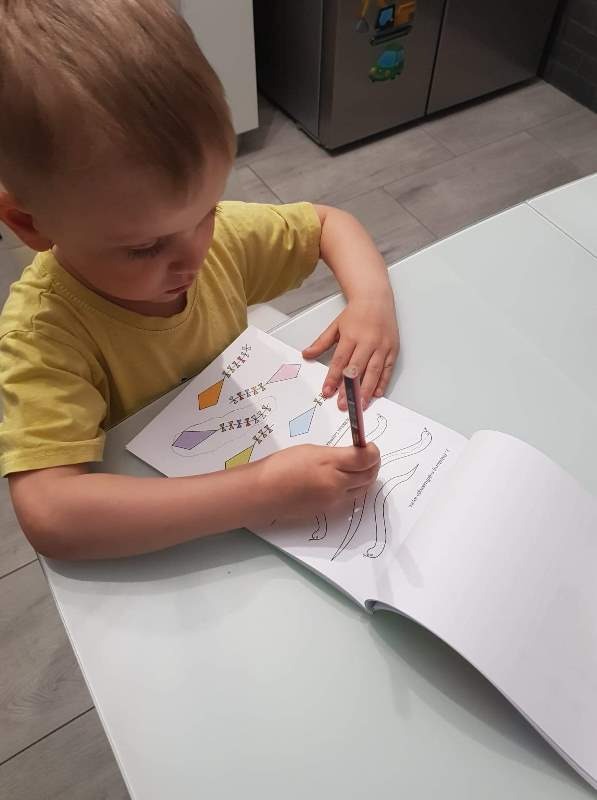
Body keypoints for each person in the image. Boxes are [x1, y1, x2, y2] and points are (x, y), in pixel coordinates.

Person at [0, 0, 399, 560]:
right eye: (144, 247)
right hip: (165, 535)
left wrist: (371, 302)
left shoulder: (215, 238)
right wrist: (260, 493)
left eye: (206, 211)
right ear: (30, 224)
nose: (194, 258)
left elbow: (330, 224)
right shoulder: (43, 334)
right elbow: (52, 515)